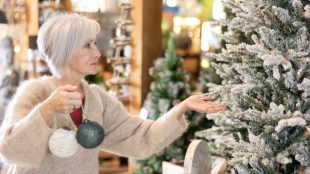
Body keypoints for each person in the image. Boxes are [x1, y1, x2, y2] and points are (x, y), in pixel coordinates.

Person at [0, 13, 226, 174]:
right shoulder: (35, 93)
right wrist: (47, 110)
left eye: (95, 44)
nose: (97, 53)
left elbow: (141, 138)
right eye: (87, 45)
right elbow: (9, 149)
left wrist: (182, 107)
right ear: (64, 49)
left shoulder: (97, 99)